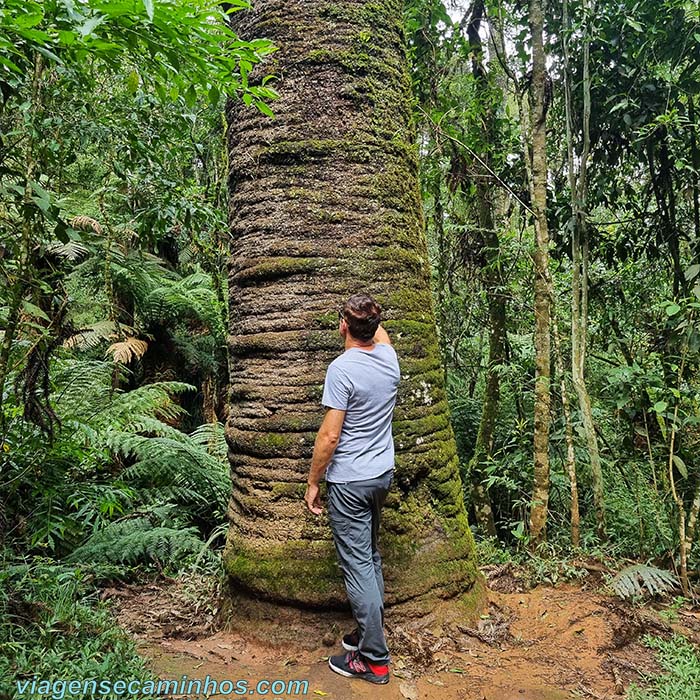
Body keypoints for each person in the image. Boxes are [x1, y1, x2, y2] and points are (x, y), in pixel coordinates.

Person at [304, 292, 400, 686]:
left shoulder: (342, 369)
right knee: (371, 558)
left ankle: (374, 661)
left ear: (344, 326)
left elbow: (329, 436)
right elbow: (382, 335)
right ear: (376, 329)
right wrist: (368, 319)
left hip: (349, 481)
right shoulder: (390, 359)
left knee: (358, 565)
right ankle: (366, 634)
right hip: (381, 476)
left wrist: (313, 481)